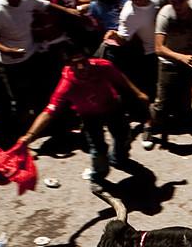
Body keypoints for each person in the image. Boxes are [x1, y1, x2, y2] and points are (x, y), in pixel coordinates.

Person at [13, 42, 150, 186]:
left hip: (112, 106)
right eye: (75, 64)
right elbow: (49, 112)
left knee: (122, 135)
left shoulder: (103, 66)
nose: (82, 68)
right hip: (89, 115)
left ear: (88, 58)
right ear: (68, 65)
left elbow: (121, 78)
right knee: (97, 148)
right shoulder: (66, 84)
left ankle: (118, 158)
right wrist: (29, 136)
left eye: (83, 62)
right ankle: (99, 174)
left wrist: (138, 93)